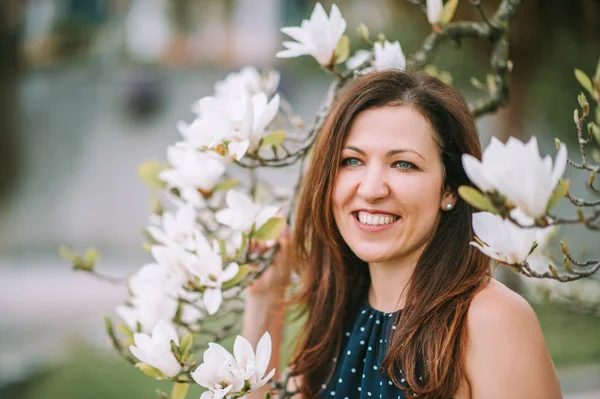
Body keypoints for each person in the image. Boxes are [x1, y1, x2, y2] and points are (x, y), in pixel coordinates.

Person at [243, 70, 562, 398]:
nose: (371, 189)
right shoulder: (336, 320)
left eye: (403, 164)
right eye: (352, 161)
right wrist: (265, 299)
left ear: (449, 189)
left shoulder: (492, 320)